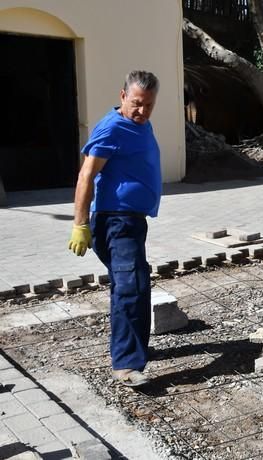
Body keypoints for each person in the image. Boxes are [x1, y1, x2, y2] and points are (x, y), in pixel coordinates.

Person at [68, 70, 162, 387]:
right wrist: (80, 224)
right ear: (122, 96)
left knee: (129, 285)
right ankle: (126, 365)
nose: (142, 111)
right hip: (115, 221)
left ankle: (129, 348)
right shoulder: (111, 128)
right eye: (136, 103)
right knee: (131, 287)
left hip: (130, 220)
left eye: (148, 105)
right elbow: (85, 175)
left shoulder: (138, 123)